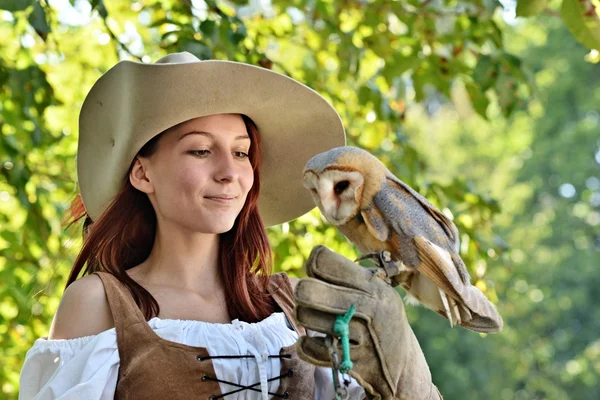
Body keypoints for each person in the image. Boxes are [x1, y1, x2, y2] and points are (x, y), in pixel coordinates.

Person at [18, 52, 442, 399]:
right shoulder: (100, 304)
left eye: (241, 154)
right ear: (143, 174)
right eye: (201, 151)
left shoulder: (293, 305)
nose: (229, 173)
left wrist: (405, 375)